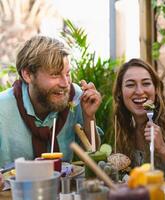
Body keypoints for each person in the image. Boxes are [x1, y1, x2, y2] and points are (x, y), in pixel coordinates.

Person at [0, 35, 102, 168]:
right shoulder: (3, 109)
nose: (65, 84)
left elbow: (92, 153)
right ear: (27, 75)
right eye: (55, 74)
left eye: (67, 73)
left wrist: (89, 117)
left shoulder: (75, 97)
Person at [112, 58, 165, 182]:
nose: (140, 91)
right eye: (130, 85)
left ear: (156, 90)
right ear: (120, 92)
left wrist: (162, 148)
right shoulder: (124, 130)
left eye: (146, 83)